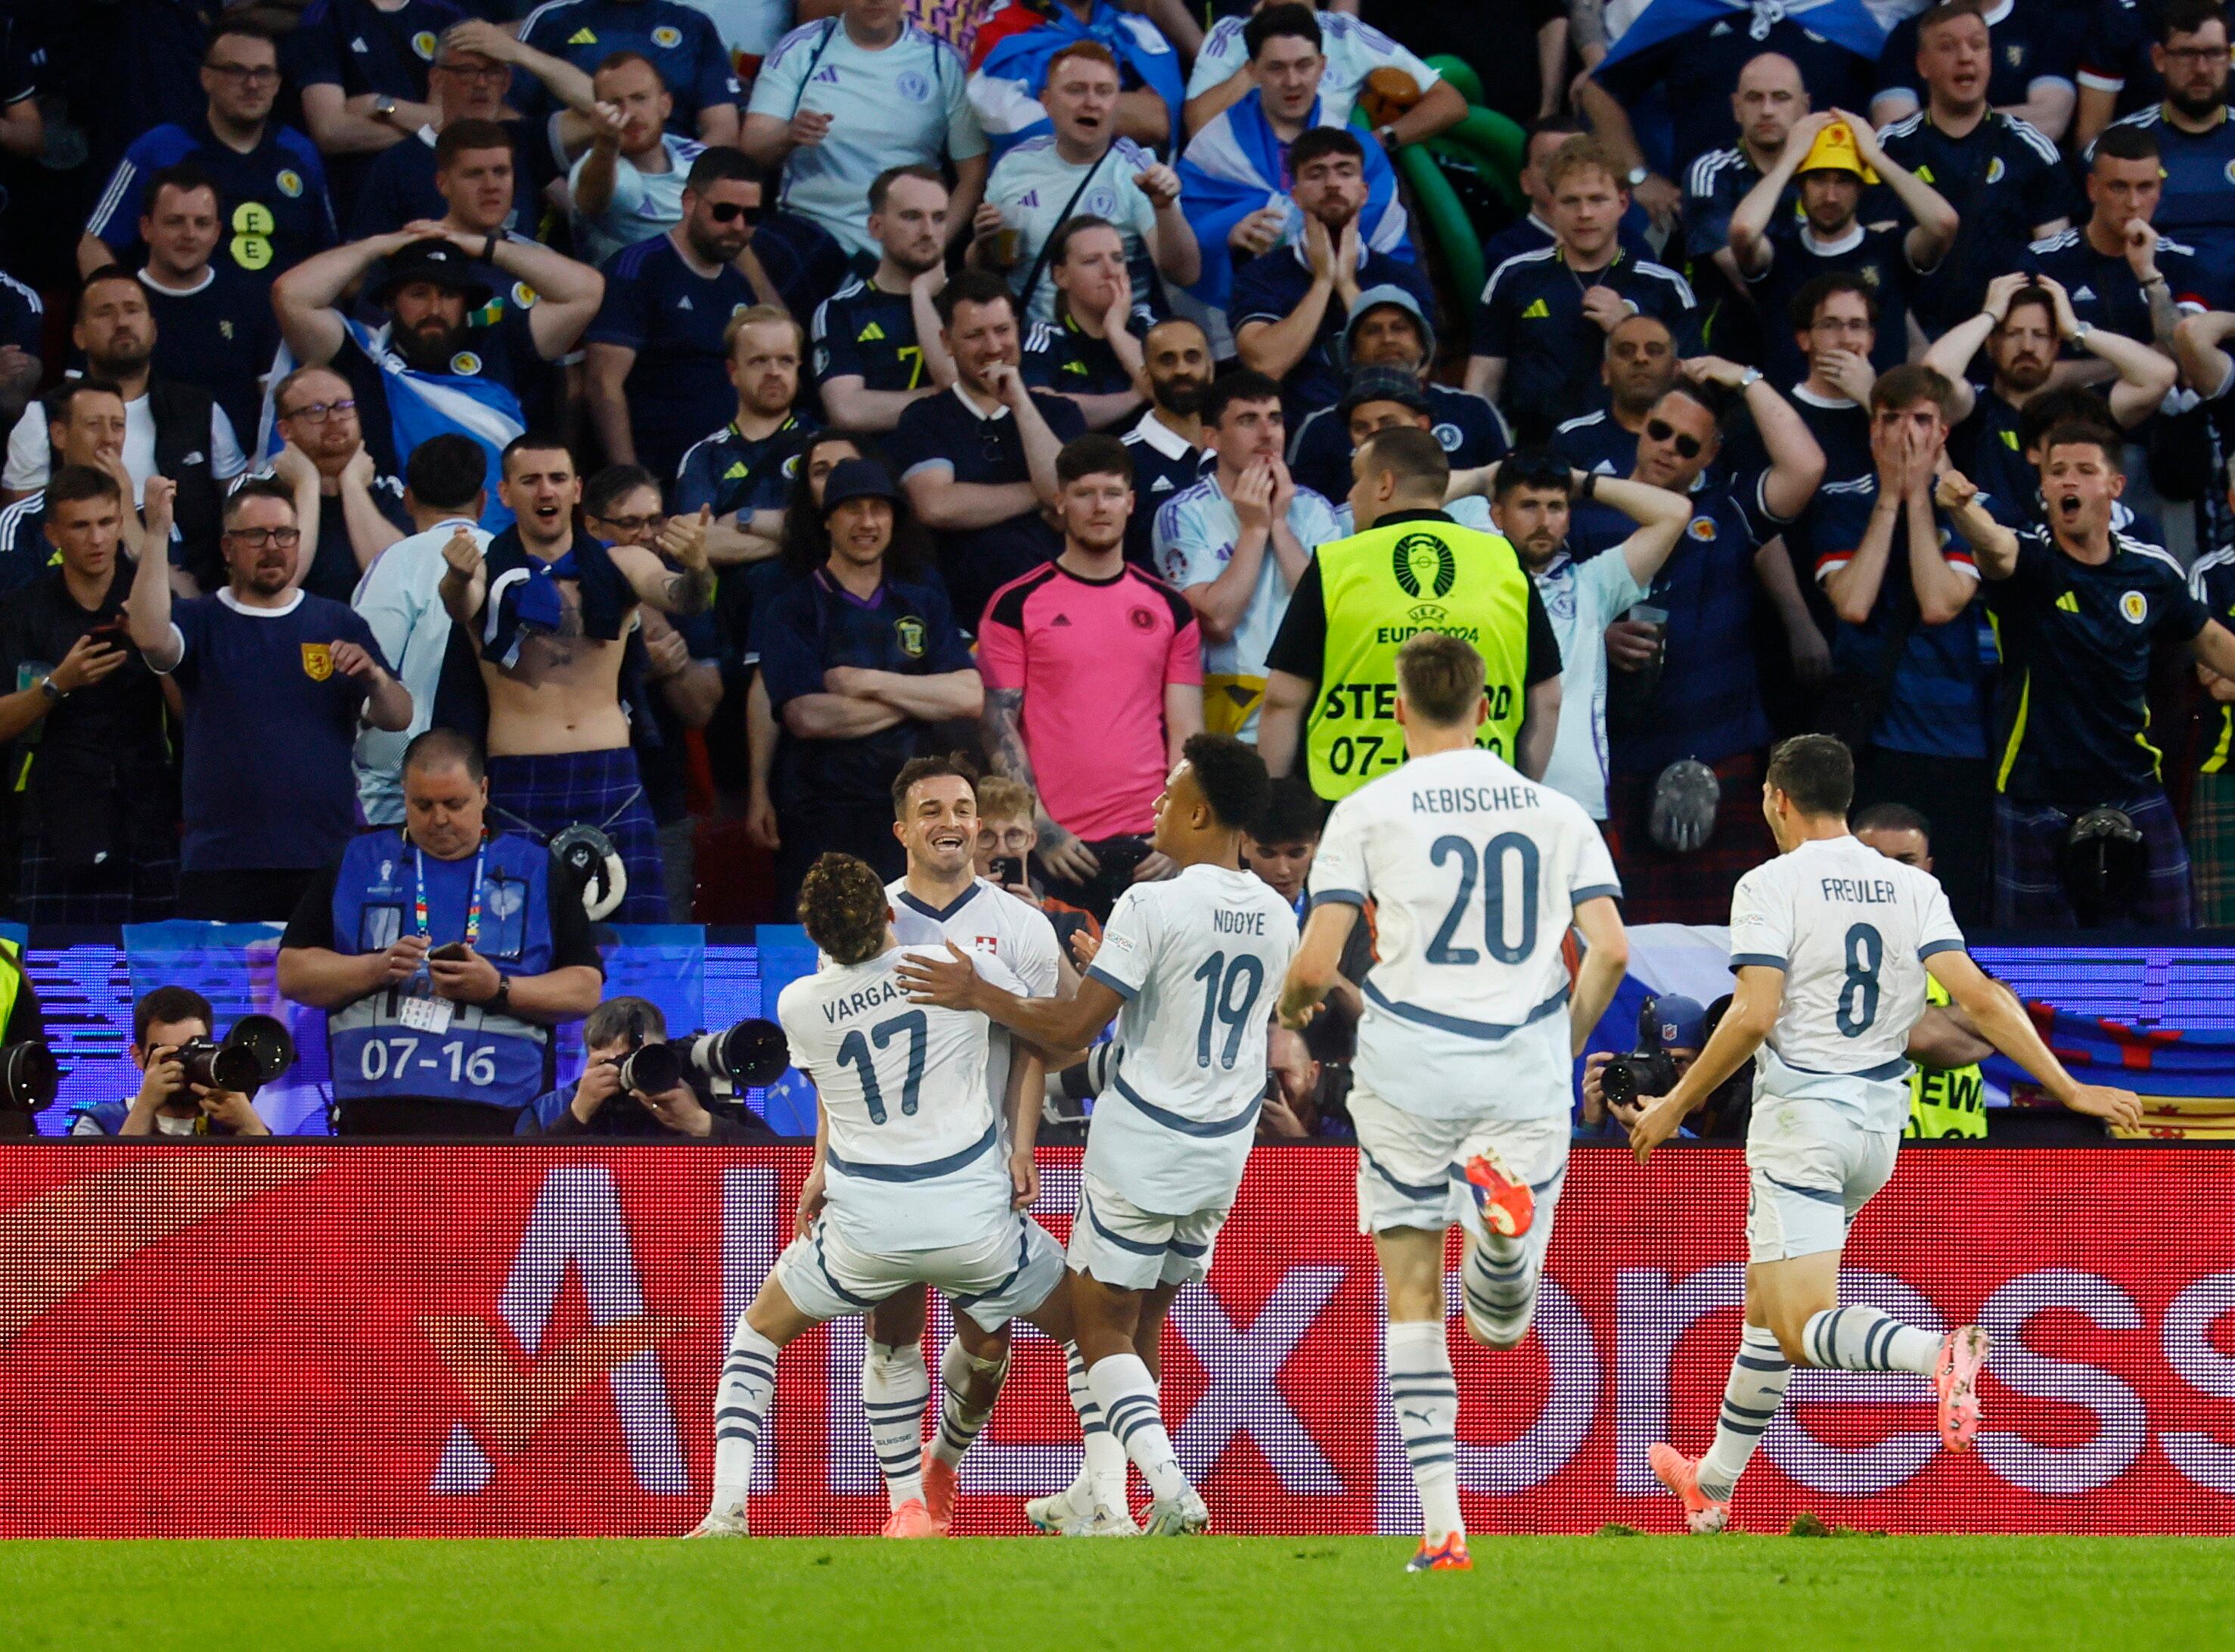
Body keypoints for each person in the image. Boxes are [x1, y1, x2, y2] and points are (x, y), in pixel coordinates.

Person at [1631, 734, 2143, 1535]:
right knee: (1766, 1313)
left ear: (1776, 799)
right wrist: (2069, 1086)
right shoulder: (1911, 891)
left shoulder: (1769, 885)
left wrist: (1674, 1105)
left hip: (1804, 1121)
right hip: (1877, 1129)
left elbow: (1757, 1013)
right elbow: (1982, 998)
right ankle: (1711, 1488)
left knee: (1801, 1327)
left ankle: (1935, 1353)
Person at [1278, 632, 1628, 1572]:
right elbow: (1612, 950)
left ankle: (1443, 1526)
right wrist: (1561, 1039)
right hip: (1519, 1063)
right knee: (1503, 1328)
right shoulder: (1557, 812)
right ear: (1488, 710)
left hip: (1410, 1065)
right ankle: (1505, 1249)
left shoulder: (1365, 808)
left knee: (1411, 1294)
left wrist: (1286, 1009)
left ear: (1399, 710)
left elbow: (1317, 965)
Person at [898, 733, 1297, 1538]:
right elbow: (1195, 1014)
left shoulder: (1153, 903)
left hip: (1145, 1141)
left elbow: (1076, 1030)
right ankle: (1097, 1494)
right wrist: (1115, 966)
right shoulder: (1279, 911)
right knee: (1141, 1321)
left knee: (1097, 1326)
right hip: (1224, 1148)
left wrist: (980, 991)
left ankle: (1173, 1489)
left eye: (1168, 791)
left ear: (1199, 811)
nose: (1154, 805)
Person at [694, 849, 1078, 1540]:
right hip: (973, 1216)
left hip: (866, 1225)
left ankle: (734, 1512)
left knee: (755, 1337)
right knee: (1098, 1329)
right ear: (888, 911)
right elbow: (1044, 1040)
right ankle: (1106, 1493)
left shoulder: (795, 1005)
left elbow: (836, 1102)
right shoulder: (966, 971)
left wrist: (818, 1169)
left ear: (814, 936)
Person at [843, 753, 1072, 1534]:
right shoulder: (860, 916)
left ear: (982, 824)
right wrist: (821, 1164)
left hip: (979, 1165)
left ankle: (945, 1463)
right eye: (933, 811)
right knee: (892, 1326)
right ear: (903, 828)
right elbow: (838, 1053)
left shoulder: (1020, 926)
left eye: (964, 809)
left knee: (987, 1344)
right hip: (888, 1166)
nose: (952, 823)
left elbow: (1041, 1042)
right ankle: (904, 1501)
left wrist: (1023, 1146)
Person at [1941, 426, 2235, 925]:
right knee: (2034, 971)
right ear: (2044, 489)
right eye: (2056, 472)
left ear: (2114, 486)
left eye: (2083, 470)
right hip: (2035, 792)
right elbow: (1994, 548)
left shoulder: (2150, 571)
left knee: (2174, 948)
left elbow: (2210, 642)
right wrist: (1959, 508)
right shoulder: (2028, 563)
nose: (2066, 482)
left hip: (2132, 783)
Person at [436, 435, 715, 924]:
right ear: (504, 493)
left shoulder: (620, 563)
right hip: (519, 781)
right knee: (515, 943)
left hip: (610, 774)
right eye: (530, 480)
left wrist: (697, 566)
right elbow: (459, 604)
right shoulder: (485, 570)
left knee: (638, 951)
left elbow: (684, 598)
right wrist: (455, 577)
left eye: (557, 479)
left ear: (576, 490)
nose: (545, 490)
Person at [1589, 362, 1827, 927]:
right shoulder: (1584, 510)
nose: (1668, 448)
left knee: (1733, 933)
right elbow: (1545, 612)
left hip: (1721, 749)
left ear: (1709, 454)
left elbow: (1806, 465)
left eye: (1688, 443)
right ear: (1641, 426)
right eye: (1659, 432)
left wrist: (1745, 378)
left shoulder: (1729, 510)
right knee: (1628, 936)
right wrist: (1595, 636)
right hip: (1617, 759)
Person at [280, 725, 602, 1136]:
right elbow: (293, 973)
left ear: (483, 791)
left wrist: (499, 989)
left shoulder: (536, 868)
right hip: (373, 1122)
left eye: (454, 803)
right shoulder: (356, 860)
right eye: (422, 805)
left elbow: (585, 988)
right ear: (403, 795)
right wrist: (374, 970)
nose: (439, 819)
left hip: (502, 1123)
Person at [126, 476, 412, 922]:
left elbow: (399, 716)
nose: (273, 546)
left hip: (323, 854)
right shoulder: (200, 619)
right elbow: (147, 635)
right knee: (226, 992)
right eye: (256, 535)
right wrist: (159, 532)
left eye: (285, 534)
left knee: (320, 990)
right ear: (227, 548)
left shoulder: (336, 620)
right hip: (224, 860)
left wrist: (375, 678)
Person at [1258, 425, 1563, 803]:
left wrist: (1272, 806)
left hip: (1350, 801)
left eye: (1357, 481)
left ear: (1384, 485)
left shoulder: (1336, 564)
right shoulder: (1503, 561)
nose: (1351, 495)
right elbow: (1546, 698)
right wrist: (1521, 791)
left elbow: (1283, 700)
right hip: (1479, 799)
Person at [979, 434, 1205, 918]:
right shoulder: (1016, 604)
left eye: (1111, 493)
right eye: (1083, 494)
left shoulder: (1171, 607)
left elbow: (1186, 733)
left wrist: (1178, 833)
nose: (1099, 507)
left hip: (1149, 844)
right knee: (1056, 990)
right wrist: (1037, 826)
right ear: (1060, 502)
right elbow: (998, 724)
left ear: (1131, 503)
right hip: (1055, 844)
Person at [1807, 365, 1996, 926]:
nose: (1905, 435)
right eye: (1890, 419)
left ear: (1942, 433)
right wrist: (1890, 496)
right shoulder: (1843, 500)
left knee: (1949, 910)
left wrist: (1922, 500)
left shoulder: (1967, 507)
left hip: (1955, 740)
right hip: (1870, 743)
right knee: (1860, 909)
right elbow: (1852, 601)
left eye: (1921, 421)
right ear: (1871, 431)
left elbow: (1940, 601)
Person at [753, 458, 980, 905]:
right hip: (822, 811)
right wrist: (920, 695)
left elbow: (970, 697)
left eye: (880, 509)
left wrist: (866, 681)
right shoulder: (793, 607)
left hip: (913, 814)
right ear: (827, 521)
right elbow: (807, 716)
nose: (868, 522)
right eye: (853, 509)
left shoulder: (922, 601)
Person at [272, 226, 604, 515]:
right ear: (390, 301)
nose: (434, 309)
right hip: (400, 543)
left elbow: (585, 291)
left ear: (466, 302)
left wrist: (479, 246)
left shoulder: (499, 345)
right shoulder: (365, 357)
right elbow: (291, 296)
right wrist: (379, 246)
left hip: (506, 546)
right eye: (419, 294)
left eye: (448, 295)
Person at [1450, 449, 1693, 823]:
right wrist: (1482, 478)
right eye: (1528, 506)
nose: (1544, 521)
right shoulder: (1465, 583)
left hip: (1574, 801)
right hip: (1483, 795)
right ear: (1497, 514)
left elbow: (1674, 513)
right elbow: (1398, 504)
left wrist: (1584, 482)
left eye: (1556, 506)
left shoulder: (1593, 585)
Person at [0, 467, 177, 924]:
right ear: (53, 534)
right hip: (56, 812)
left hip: (147, 806)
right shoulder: (23, 610)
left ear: (121, 522)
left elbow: (191, 712)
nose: (96, 538)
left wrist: (153, 648)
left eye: (105, 522)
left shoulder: (149, 598)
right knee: (63, 979)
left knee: (147, 972)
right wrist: (59, 683)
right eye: (80, 526)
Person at [2, 271, 248, 595]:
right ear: (79, 336)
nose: (121, 322)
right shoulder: (42, 418)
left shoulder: (203, 411)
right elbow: (28, 534)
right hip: (66, 604)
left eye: (132, 310)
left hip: (188, 602)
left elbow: (239, 517)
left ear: (153, 328)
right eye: (105, 312)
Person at [1467, 135, 1700, 444]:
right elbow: (1482, 384)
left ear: (1623, 203)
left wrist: (1627, 328)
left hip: (1636, 454)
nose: (1585, 213)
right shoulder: (1514, 277)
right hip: (1538, 458)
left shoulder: (1665, 286)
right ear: (1552, 206)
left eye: (1597, 199)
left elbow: (1692, 386)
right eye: (1570, 201)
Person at [891, 272, 1085, 629]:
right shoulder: (924, 418)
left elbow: (1073, 509)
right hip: (963, 621)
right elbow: (937, 506)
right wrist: (1038, 494)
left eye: (1002, 330)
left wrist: (1021, 405)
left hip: (1060, 615)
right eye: (975, 335)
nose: (994, 347)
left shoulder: (1061, 414)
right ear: (946, 342)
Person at [1178, 17, 1411, 314]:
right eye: (1277, 68)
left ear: (1322, 65)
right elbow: (1180, 246)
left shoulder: (1360, 150)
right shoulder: (1213, 147)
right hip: (1244, 322)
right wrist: (1227, 237)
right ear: (1252, 71)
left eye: (1304, 65)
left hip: (1345, 317)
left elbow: (1390, 248)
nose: (1292, 81)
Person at [79, 22, 339, 289]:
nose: (252, 84)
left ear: (277, 84)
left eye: (263, 73)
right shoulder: (159, 149)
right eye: (237, 71)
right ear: (206, 78)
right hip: (182, 321)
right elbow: (94, 244)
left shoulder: (302, 153)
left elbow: (327, 254)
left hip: (282, 325)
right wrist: (125, 309)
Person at [1153, 370, 1339, 740]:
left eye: (1275, 418)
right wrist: (1254, 530)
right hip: (1228, 716)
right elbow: (1218, 621)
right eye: (1247, 420)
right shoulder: (1184, 514)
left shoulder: (1315, 509)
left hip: (1309, 710)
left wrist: (1281, 526)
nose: (1267, 433)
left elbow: (1331, 612)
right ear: (1212, 437)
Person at [1878, 2, 2072, 339]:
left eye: (1977, 45)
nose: (1965, 57)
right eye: (1948, 47)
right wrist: (1913, 345)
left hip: (2006, 341)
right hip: (1913, 339)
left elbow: (2053, 265)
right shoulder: (1893, 149)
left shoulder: (2030, 148)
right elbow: (1875, 260)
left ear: (1990, 59)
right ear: (1922, 65)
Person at [582, 465, 725, 921]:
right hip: (586, 792)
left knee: (667, 950)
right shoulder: (566, 587)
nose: (646, 535)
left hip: (661, 801)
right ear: (592, 527)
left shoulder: (682, 590)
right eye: (630, 524)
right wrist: (641, 667)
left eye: (655, 521)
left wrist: (670, 666)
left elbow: (702, 708)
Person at [1727, 110, 1959, 388]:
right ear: (1800, 184)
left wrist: (1875, 157)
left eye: (1844, 181)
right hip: (1793, 422)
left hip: (1874, 420)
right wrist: (1788, 161)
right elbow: (1743, 231)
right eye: (1818, 179)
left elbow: (1944, 223)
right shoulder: (1779, 255)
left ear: (1861, 187)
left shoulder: (1890, 251)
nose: (1830, 196)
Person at [743, 0, 988, 262]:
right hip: (808, 229)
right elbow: (752, 147)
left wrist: (931, 246)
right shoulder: (803, 47)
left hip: (898, 246)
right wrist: (788, 136)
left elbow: (972, 176)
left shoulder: (943, 62)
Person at [979, 41, 1197, 328]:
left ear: (1116, 102)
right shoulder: (1013, 167)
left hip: (1112, 343)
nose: (1091, 102)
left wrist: (1165, 208)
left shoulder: (1139, 170)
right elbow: (989, 271)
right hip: (1032, 343)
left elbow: (1185, 274)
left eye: (1104, 91)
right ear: (1046, 102)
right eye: (1076, 90)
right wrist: (983, 242)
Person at [1578, 0, 1876, 208]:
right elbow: (1598, 90)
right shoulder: (1682, 9)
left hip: (1819, 214)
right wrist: (1639, 177)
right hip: (1706, 212)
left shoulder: (1840, 13)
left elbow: (1888, 93)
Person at [1228, 129, 1434, 421]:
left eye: (1344, 172)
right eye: (1316, 174)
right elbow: (1266, 365)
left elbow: (1416, 368)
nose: (1333, 184)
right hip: (1300, 443)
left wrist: (1347, 283)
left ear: (1364, 192)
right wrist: (1323, 281)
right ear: (1296, 196)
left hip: (1389, 435)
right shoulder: (1260, 277)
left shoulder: (1401, 278)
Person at [351, 433, 489, 828]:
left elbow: (368, 675)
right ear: (483, 500)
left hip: (401, 795)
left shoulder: (397, 562)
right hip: (488, 785)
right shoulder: (506, 556)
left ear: (408, 499)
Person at [1852, 802, 1999, 1140]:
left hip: (1959, 1162)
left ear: (1928, 869)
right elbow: (1927, 1037)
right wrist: (1980, 1025)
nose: (1891, 875)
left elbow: (2004, 1003)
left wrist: (1927, 1019)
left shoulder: (1942, 942)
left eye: (1906, 862)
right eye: (1876, 861)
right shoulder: (1838, 946)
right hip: (1881, 1160)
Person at [1285, 284, 1508, 505]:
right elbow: (1303, 513)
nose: (1388, 339)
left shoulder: (1473, 410)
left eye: (1399, 328)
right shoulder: (1320, 428)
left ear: (1423, 345)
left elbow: (1509, 486)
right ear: (1352, 352)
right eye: (1372, 331)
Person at [348, 32, 574, 240]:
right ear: (437, 79)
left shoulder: (525, 140)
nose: (482, 84)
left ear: (506, 82)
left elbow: (603, 112)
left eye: (493, 73)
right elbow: (365, 265)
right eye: (466, 71)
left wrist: (520, 53)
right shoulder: (397, 163)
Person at [133, 164, 280, 455]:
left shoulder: (251, 301)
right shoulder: (115, 303)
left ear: (216, 232)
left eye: (201, 224)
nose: (189, 234)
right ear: (146, 228)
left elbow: (273, 406)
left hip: (236, 480)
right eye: (175, 222)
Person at [2028, 124, 2208, 352]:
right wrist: (2142, 360)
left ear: (2160, 189)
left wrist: (2150, 277)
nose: (2133, 203)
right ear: (2093, 188)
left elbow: (2186, 361)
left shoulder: (2183, 262)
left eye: (2145, 187)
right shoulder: (2044, 261)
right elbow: (2025, 377)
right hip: (2071, 390)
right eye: (2119, 187)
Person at [2088, 0, 2235, 277]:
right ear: (2159, 58)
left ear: (2229, 58)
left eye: (2214, 54)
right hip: (2148, 297)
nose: (2201, 68)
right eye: (2187, 54)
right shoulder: (2119, 147)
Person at [1184, 0, 1460, 142]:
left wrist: (1379, 141)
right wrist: (1261, 52)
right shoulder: (1230, 34)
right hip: (1243, 186)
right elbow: (1198, 126)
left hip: (1328, 182)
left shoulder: (1347, 34)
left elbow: (1449, 102)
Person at [812, 166, 956, 433]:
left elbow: (980, 396)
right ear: (876, 227)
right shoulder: (841, 311)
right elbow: (847, 412)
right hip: (878, 464)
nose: (928, 231)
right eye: (912, 217)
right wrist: (948, 401)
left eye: (939, 218)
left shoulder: (970, 302)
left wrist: (921, 296)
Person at [673, 306, 818, 567]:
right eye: (759, 361)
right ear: (733, 371)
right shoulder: (704, 457)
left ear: (798, 367)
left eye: (785, 360)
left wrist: (744, 519)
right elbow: (696, 543)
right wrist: (798, 539)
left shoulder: (825, 446)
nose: (774, 371)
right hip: (737, 604)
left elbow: (838, 528)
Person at [520, 996, 772, 1140]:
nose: (632, 1070)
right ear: (591, 1059)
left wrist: (703, 1124)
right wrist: (576, 1116)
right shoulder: (549, 1109)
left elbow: (785, 1162)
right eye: (619, 1061)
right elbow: (514, 1185)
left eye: (644, 1057)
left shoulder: (693, 1100)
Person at [262, 365, 411, 604]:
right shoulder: (257, 496)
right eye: (316, 410)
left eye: (344, 407)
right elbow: (278, 584)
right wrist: (307, 485)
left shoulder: (388, 493)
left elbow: (401, 584)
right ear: (285, 430)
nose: (334, 419)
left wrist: (352, 486)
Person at [967, 0, 1187, 162]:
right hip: (1044, 205)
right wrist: (1133, 111)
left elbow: (1164, 118)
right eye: (1075, 90)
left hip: (1141, 200)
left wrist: (1069, 104)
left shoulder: (1130, 25)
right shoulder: (1001, 33)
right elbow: (1026, 129)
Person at [512, 0, 741, 147]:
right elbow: (510, 119)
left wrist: (675, 188)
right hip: (574, 181)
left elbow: (723, 130)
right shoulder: (553, 19)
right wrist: (561, 192)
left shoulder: (694, 25)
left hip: (674, 187)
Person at [566, 53, 706, 269]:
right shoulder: (596, 167)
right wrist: (606, 143)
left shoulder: (697, 156)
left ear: (665, 105)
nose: (629, 113)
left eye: (639, 98)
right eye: (615, 103)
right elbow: (593, 200)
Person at [1684, 54, 1810, 296]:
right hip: (1733, 322)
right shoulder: (1710, 171)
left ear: (1804, 108)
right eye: (1754, 98)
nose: (1767, 111)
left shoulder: (1826, 171)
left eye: (1781, 98)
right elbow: (1743, 274)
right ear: (1736, 108)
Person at [69, 987, 268, 1138]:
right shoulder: (102, 1121)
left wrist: (251, 1127)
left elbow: (282, 1188)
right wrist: (145, 1107)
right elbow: (95, 1188)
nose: (185, 1063)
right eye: (171, 1054)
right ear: (139, 1056)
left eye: (195, 1050)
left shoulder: (231, 1119)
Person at [287, 0, 470, 161]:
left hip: (436, 177)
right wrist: (430, 132)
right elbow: (329, 132)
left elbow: (459, 120)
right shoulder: (327, 14)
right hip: (363, 183)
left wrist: (381, 105)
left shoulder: (446, 16)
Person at [1872, 0, 2081, 139]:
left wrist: (1949, 126)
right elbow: (1893, 128)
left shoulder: (2044, 25)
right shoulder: (1908, 35)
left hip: (2020, 184)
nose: (1965, 57)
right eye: (1947, 47)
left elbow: (2051, 118)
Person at [1018, 217, 1150, 431]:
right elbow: (1042, 411)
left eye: (1117, 258)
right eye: (1091, 261)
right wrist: (1132, 398)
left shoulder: (1148, 324)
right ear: (1060, 276)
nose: (1110, 271)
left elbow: (1165, 390)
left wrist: (1116, 331)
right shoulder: (1046, 339)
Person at [1119, 318, 1212, 570]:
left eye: (1192, 357)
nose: (1182, 370)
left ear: (1210, 370)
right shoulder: (1120, 460)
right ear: (1146, 376)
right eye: (1167, 360)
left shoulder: (1234, 451)